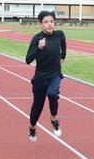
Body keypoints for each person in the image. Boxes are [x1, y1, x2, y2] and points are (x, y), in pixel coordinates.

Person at [25, 11, 66, 141]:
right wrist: (39, 47)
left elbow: (63, 46)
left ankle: (54, 118)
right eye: (46, 22)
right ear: (41, 24)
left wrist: (62, 57)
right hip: (40, 78)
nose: (49, 24)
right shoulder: (37, 38)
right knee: (38, 107)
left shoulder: (60, 34)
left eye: (51, 21)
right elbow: (28, 60)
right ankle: (32, 127)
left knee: (53, 94)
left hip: (55, 75)